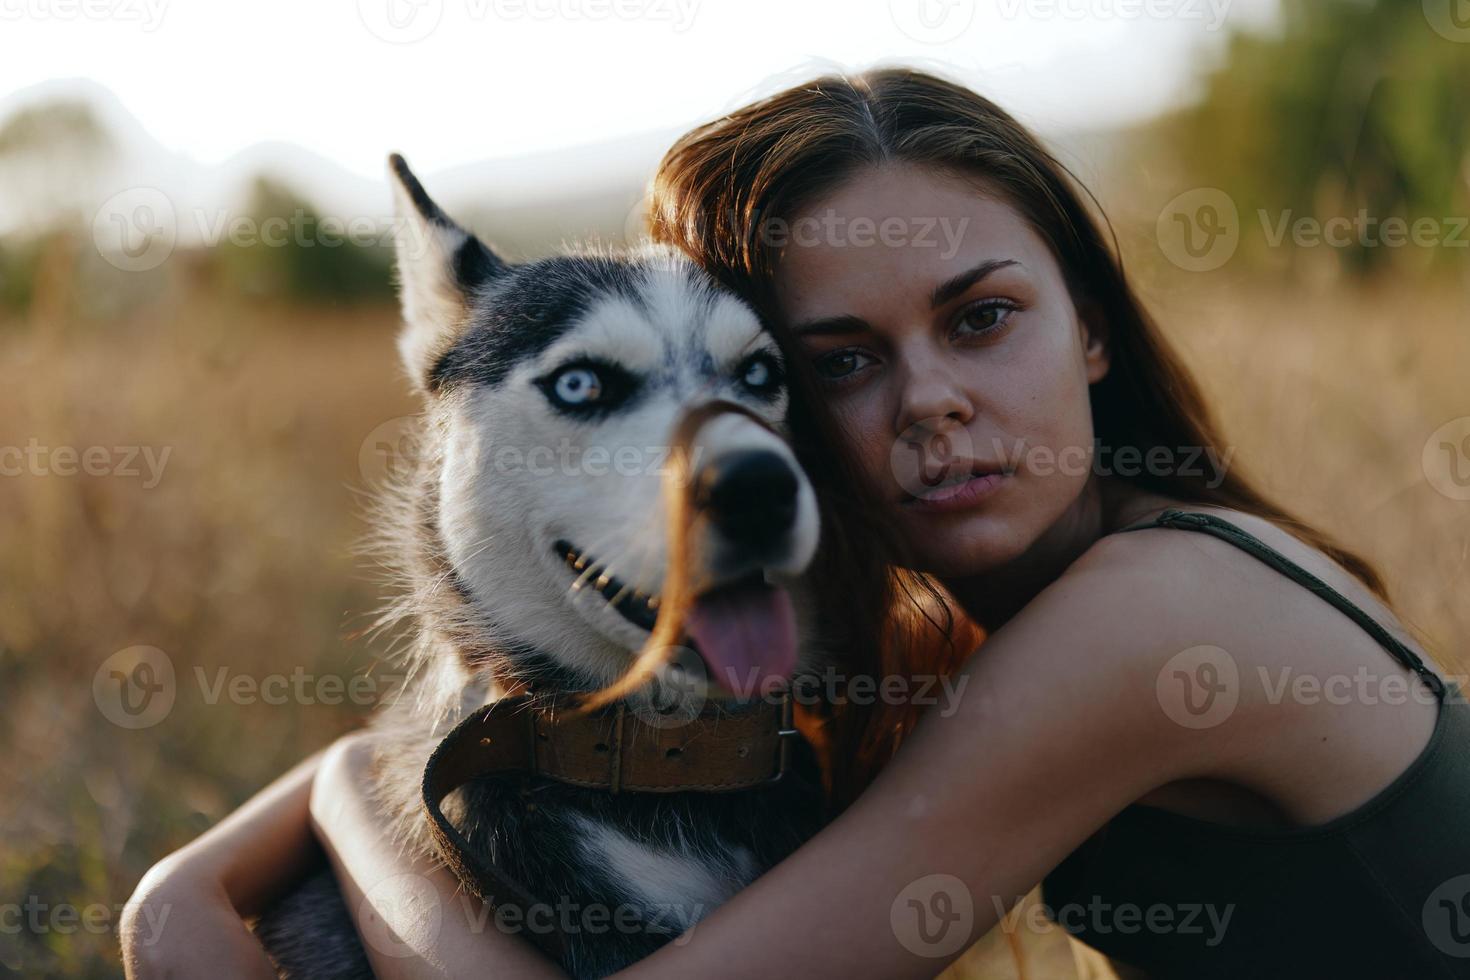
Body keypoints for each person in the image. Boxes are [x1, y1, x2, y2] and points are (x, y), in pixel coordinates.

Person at [123, 68, 1466, 978]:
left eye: (979, 317)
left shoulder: (1145, 621)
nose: (930, 403)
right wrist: (191, 878)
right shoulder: (1010, 610)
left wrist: (360, 793)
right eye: (836, 359)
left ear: (1093, 325)